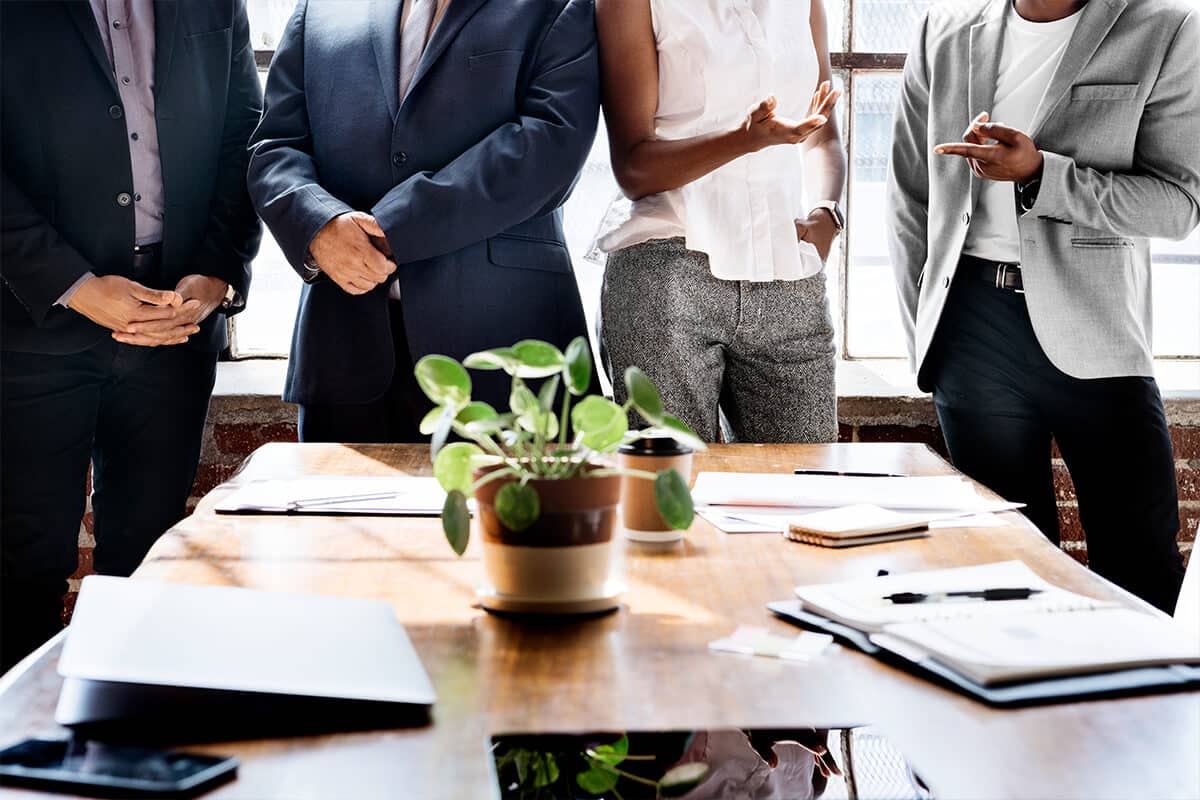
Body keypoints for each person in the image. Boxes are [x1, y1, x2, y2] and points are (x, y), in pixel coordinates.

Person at [887, 0, 1199, 612]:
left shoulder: (1163, 26)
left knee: (1140, 570)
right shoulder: (942, 30)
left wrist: (1039, 175)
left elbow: (1177, 203)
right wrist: (928, 337)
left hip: (1100, 331)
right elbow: (908, 198)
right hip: (971, 333)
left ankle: (1139, 709)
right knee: (1003, 577)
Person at [0, 0, 262, 669]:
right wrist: (78, 287)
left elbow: (244, 140)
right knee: (19, 567)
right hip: (27, 333)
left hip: (174, 331)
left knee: (152, 562)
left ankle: (130, 759)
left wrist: (217, 273)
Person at [247, 0, 600, 443]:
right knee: (339, 515)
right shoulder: (318, 9)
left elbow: (551, 147)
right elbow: (274, 148)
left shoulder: (558, 6)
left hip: (504, 352)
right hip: (345, 353)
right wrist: (319, 224)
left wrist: (396, 227)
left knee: (519, 516)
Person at [594, 0, 845, 444]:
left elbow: (822, 133)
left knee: (803, 485)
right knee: (670, 495)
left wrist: (827, 212)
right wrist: (743, 140)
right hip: (668, 273)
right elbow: (634, 167)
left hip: (788, 270)